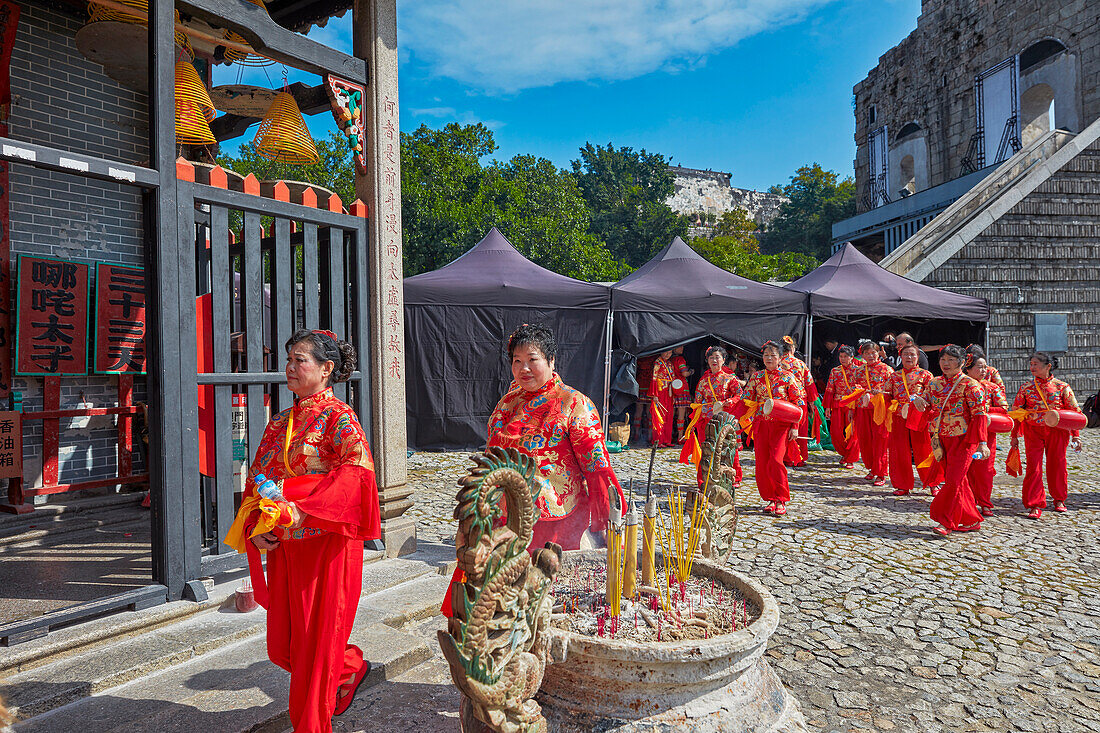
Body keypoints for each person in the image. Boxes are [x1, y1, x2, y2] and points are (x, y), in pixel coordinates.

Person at [225, 329, 381, 733]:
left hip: (326, 543)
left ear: (327, 369)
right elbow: (257, 478)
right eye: (289, 359)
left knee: (313, 651)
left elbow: (357, 475)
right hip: (286, 546)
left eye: (301, 360)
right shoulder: (280, 422)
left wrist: (304, 510)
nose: (290, 368)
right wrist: (256, 527)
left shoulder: (339, 418)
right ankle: (349, 665)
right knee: (287, 646)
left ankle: (311, 726)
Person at [487, 323, 626, 548]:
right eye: (517, 361)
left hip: (554, 520)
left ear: (551, 360)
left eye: (532, 360)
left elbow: (597, 466)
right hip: (503, 515)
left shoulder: (574, 403)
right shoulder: (507, 403)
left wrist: (606, 519)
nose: (524, 368)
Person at [920, 344, 988, 536]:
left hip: (964, 439)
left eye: (951, 360)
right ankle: (970, 519)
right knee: (959, 481)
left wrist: (982, 443)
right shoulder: (934, 383)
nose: (946, 363)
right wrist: (917, 401)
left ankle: (945, 521)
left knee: (953, 480)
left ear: (961, 362)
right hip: (941, 438)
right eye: (943, 359)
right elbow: (925, 401)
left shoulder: (971, 385)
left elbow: (980, 415)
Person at [1010, 352, 1084, 519]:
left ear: (1048, 366)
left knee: (1057, 464)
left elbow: (1074, 413)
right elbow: (1017, 414)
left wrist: (1076, 436)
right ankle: (1034, 503)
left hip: (1057, 431)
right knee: (1033, 466)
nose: (1032, 367)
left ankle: (1059, 499)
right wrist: (1014, 436)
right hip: (1033, 431)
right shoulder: (1026, 388)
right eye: (1031, 364)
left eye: (1036, 364)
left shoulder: (1062, 387)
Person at [743, 341, 805, 516]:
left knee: (776, 460)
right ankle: (770, 498)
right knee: (762, 463)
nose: (769, 358)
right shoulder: (756, 377)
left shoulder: (788, 377)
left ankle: (781, 499)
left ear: (780, 358)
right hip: (762, 424)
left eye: (773, 355)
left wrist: (795, 426)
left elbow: (798, 403)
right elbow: (746, 399)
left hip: (781, 425)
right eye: (766, 355)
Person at [886, 344, 943, 496]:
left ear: (918, 357)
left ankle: (933, 483)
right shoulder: (894, 376)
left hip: (919, 416)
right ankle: (902, 485)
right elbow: (887, 395)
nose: (909, 358)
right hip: (899, 416)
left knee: (924, 449)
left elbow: (933, 395)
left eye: (912, 355)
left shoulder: (926, 375)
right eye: (906, 355)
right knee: (899, 452)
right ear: (901, 357)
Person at [691, 345, 743, 487]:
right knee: (707, 450)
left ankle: (734, 477)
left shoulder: (730, 378)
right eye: (711, 357)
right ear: (707, 360)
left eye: (717, 357)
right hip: (706, 420)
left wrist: (729, 401)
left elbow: (740, 395)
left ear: (724, 359)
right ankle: (705, 479)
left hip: (724, 419)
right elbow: (697, 401)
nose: (714, 360)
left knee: (728, 448)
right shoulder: (703, 381)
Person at [965, 353, 1008, 516]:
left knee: (985, 468)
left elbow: (1004, 408)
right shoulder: (960, 385)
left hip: (986, 433)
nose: (984, 370)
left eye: (985, 367)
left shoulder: (992, 387)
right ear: (968, 369)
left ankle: (984, 502)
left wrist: (982, 411)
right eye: (979, 367)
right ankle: (967, 501)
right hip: (964, 433)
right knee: (966, 467)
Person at [852, 340, 894, 486]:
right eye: (867, 353)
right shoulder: (858, 370)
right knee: (865, 440)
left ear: (879, 353)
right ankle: (871, 467)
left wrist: (881, 393)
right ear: (862, 355)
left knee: (880, 441)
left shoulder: (887, 370)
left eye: (873, 352)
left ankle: (881, 473)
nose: (871, 355)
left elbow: (892, 391)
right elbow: (853, 391)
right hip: (863, 409)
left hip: (880, 409)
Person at [780, 335, 815, 468]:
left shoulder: (778, 364)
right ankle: (799, 458)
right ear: (792, 349)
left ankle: (785, 457)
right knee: (800, 429)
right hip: (799, 401)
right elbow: (810, 384)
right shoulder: (800, 364)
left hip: (783, 400)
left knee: (783, 429)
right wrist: (812, 403)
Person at [823, 345, 860, 469]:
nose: (842, 359)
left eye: (845, 356)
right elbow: (829, 389)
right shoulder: (835, 371)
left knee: (852, 432)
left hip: (853, 404)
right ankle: (844, 453)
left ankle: (851, 458)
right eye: (841, 356)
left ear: (852, 357)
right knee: (835, 432)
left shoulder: (858, 370)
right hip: (838, 403)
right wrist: (827, 407)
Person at [647, 350, 677, 447]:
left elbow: (673, 379)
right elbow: (654, 378)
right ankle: (658, 441)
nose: (668, 355)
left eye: (670, 353)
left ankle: (667, 440)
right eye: (666, 352)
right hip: (660, 392)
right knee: (659, 416)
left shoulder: (670, 364)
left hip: (669, 392)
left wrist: (674, 394)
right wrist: (654, 394)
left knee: (669, 415)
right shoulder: (657, 362)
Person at [670, 346, 693, 443]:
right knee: (681, 414)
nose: (682, 348)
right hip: (682, 388)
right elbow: (684, 373)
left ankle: (670, 434)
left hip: (672, 388)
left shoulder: (670, 359)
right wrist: (691, 372)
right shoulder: (680, 359)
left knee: (672, 414)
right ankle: (680, 437)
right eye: (680, 346)